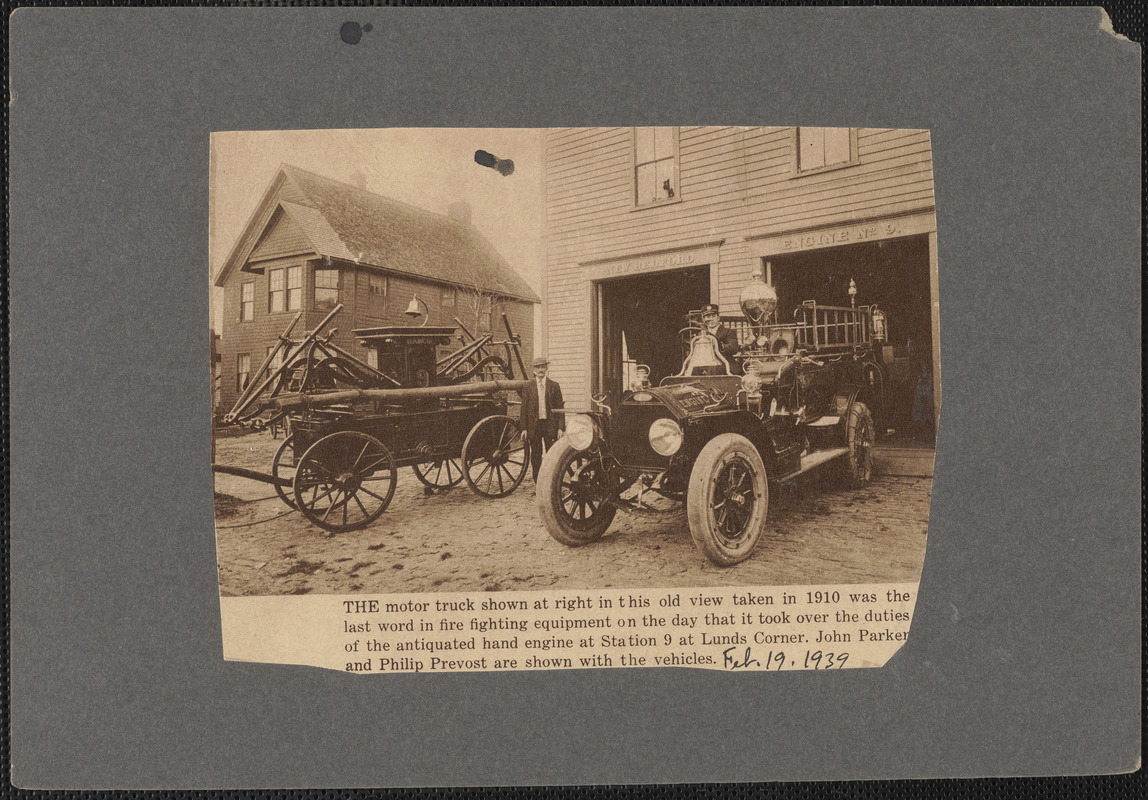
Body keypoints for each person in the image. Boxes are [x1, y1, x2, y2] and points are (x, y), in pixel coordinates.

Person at [520, 356, 565, 482]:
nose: (540, 369)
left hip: (550, 425)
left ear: (546, 368)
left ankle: (552, 483)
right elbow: (524, 410)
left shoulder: (554, 386)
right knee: (536, 456)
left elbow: (560, 408)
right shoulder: (528, 386)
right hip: (534, 427)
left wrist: (561, 428)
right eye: (537, 367)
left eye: (542, 366)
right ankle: (538, 483)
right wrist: (523, 428)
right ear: (534, 370)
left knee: (552, 455)